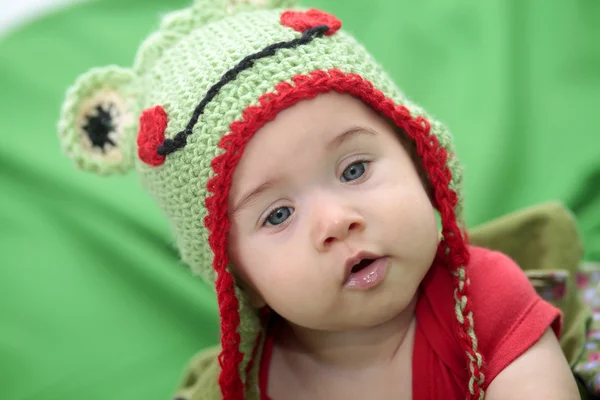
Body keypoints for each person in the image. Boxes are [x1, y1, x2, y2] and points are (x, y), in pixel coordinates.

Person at [56, 0, 580, 398]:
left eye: (354, 169)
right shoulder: (249, 383)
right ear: (237, 279)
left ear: (421, 164)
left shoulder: (481, 303)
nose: (337, 221)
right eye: (278, 214)